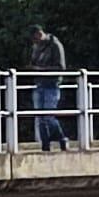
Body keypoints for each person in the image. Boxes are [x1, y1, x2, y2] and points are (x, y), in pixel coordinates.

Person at [26, 24, 68, 152]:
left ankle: (62, 138)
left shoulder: (55, 45)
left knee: (48, 116)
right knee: (40, 117)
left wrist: (41, 70)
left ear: (39, 34)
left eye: (35, 39)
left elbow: (61, 67)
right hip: (39, 83)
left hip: (52, 84)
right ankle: (45, 144)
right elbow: (33, 62)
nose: (34, 42)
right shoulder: (36, 47)